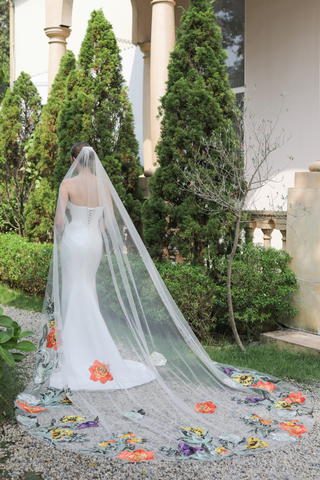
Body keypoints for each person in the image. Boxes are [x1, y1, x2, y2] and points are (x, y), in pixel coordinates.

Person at [16, 143, 313, 462]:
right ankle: (98, 356)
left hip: (76, 240)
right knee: (85, 291)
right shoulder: (102, 184)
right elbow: (105, 223)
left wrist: (67, 228)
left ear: (74, 159)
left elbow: (60, 222)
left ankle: (76, 354)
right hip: (94, 243)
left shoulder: (68, 184)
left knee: (75, 294)